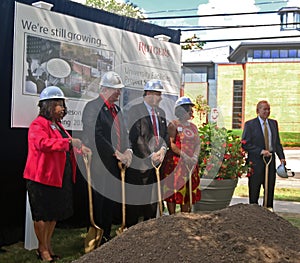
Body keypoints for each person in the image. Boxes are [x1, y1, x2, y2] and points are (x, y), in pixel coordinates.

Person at [23, 86, 91, 262]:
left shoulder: (58, 125)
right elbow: (43, 144)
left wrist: (80, 148)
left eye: (62, 105)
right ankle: (42, 248)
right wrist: (69, 142)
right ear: (48, 106)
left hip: (58, 178)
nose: (62, 108)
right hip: (41, 177)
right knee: (42, 214)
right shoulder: (37, 124)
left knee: (53, 214)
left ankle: (47, 245)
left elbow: (66, 146)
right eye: (58, 105)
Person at [81, 71, 132, 244]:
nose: (119, 93)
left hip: (116, 164)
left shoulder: (117, 109)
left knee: (111, 198)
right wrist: (115, 152)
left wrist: (128, 151)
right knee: (100, 200)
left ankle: (107, 234)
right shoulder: (92, 107)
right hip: (100, 163)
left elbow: (124, 133)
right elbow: (95, 134)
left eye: (119, 90)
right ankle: (96, 234)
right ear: (105, 89)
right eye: (116, 89)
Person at [125, 79, 168, 227]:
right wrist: (150, 156)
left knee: (152, 201)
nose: (160, 97)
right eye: (157, 94)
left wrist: (162, 150)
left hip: (157, 165)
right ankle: (131, 232)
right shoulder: (135, 111)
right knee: (136, 201)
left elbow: (165, 135)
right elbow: (136, 137)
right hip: (140, 165)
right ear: (148, 93)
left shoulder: (161, 113)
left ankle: (149, 230)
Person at [242, 100, 286, 210]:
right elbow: (245, 144)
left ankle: (268, 210)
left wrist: (282, 157)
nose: (267, 111)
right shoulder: (250, 124)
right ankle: (254, 212)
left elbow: (277, 143)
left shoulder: (273, 123)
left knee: (269, 187)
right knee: (254, 188)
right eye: (264, 109)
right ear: (258, 111)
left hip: (270, 161)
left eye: (268, 109)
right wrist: (261, 151)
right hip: (256, 162)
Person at [162, 97, 201, 214]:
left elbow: (198, 143)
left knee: (189, 189)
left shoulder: (193, 127)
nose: (191, 112)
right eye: (189, 110)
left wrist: (194, 157)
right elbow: (171, 143)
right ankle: (172, 217)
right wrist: (184, 155)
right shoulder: (173, 125)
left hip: (190, 163)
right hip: (176, 162)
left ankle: (185, 215)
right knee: (173, 189)